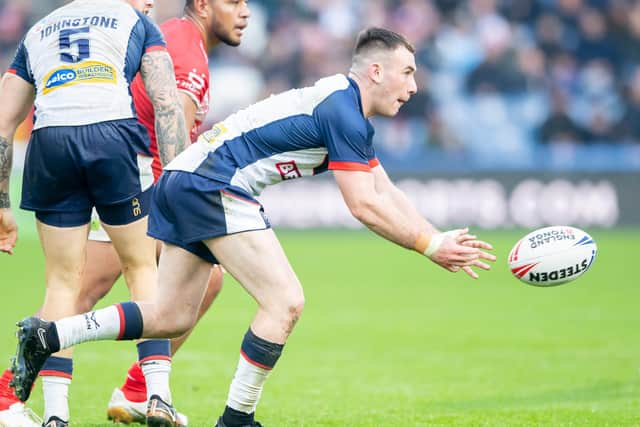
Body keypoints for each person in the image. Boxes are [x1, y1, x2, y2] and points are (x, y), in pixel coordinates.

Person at [10, 28, 496, 427]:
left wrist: (437, 236)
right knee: (285, 301)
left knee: (171, 315)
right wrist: (429, 247)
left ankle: (49, 335)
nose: (412, 87)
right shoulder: (341, 108)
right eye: (407, 73)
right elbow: (364, 206)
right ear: (376, 71)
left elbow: (384, 191)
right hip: (214, 185)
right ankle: (237, 420)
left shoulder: (341, 106)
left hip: (184, 181)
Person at [0, 0, 189, 426]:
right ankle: (158, 395)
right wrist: (176, 184)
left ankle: (55, 416)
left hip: (50, 142)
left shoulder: (39, 28)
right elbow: (166, 102)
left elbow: (3, 123)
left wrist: (0, 204)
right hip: (112, 135)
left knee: (61, 283)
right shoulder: (136, 21)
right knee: (142, 267)